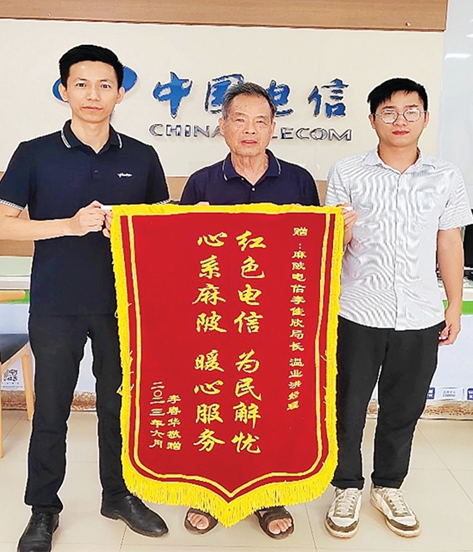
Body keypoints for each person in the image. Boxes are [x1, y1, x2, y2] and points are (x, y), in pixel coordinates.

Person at [0, 44, 170, 552]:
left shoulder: (142, 155)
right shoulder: (34, 152)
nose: (94, 95)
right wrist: (68, 226)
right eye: (82, 84)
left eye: (105, 85)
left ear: (120, 93)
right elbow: (1, 225)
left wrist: (133, 229)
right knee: (51, 409)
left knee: (121, 407)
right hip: (56, 302)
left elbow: (161, 228)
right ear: (64, 90)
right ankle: (43, 509)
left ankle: (120, 495)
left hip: (124, 305)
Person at [323, 78, 473, 540]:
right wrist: (342, 231)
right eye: (389, 112)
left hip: (420, 313)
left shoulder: (445, 176)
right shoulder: (347, 172)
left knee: (403, 408)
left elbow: (449, 241)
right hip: (357, 312)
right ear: (373, 120)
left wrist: (454, 304)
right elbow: (331, 247)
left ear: (425, 119)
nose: (400, 120)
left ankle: (388, 485)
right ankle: (346, 486)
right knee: (346, 406)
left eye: (411, 111)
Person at [179, 82, 319, 539]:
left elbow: (312, 251)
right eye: (239, 120)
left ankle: (267, 495)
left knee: (270, 405)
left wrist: (340, 229)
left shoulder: (298, 181)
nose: (250, 130)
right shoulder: (201, 182)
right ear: (222, 126)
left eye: (261, 121)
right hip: (216, 321)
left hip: (276, 320)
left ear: (273, 128)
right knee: (214, 402)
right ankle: (210, 492)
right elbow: (181, 253)